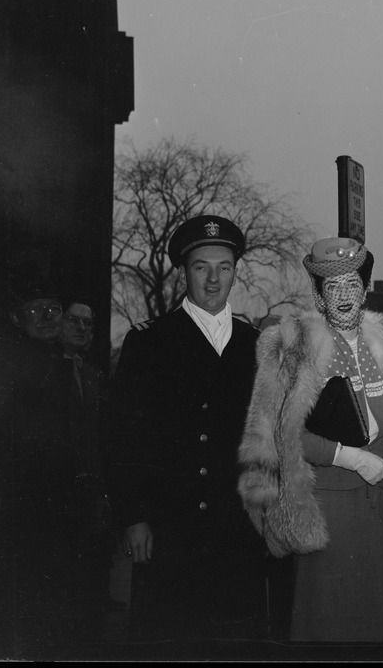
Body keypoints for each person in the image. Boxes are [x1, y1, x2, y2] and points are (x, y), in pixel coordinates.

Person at [238, 237, 383, 642]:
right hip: (326, 507)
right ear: (318, 296)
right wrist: (350, 457)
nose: (343, 296)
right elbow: (279, 433)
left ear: (365, 290)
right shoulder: (292, 344)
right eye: (331, 287)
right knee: (329, 627)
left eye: (351, 285)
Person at [104, 215, 268, 643]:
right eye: (201, 267)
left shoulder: (257, 345)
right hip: (170, 528)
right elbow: (125, 436)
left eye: (224, 267)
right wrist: (134, 516)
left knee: (235, 642)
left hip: (237, 526)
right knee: (169, 639)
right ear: (183, 272)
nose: (214, 279)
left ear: (235, 272)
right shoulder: (150, 341)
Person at [0, 280, 113, 656]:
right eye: (70, 319)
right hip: (33, 506)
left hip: (77, 504)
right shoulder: (17, 367)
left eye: (54, 310)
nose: (77, 329)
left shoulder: (88, 374)